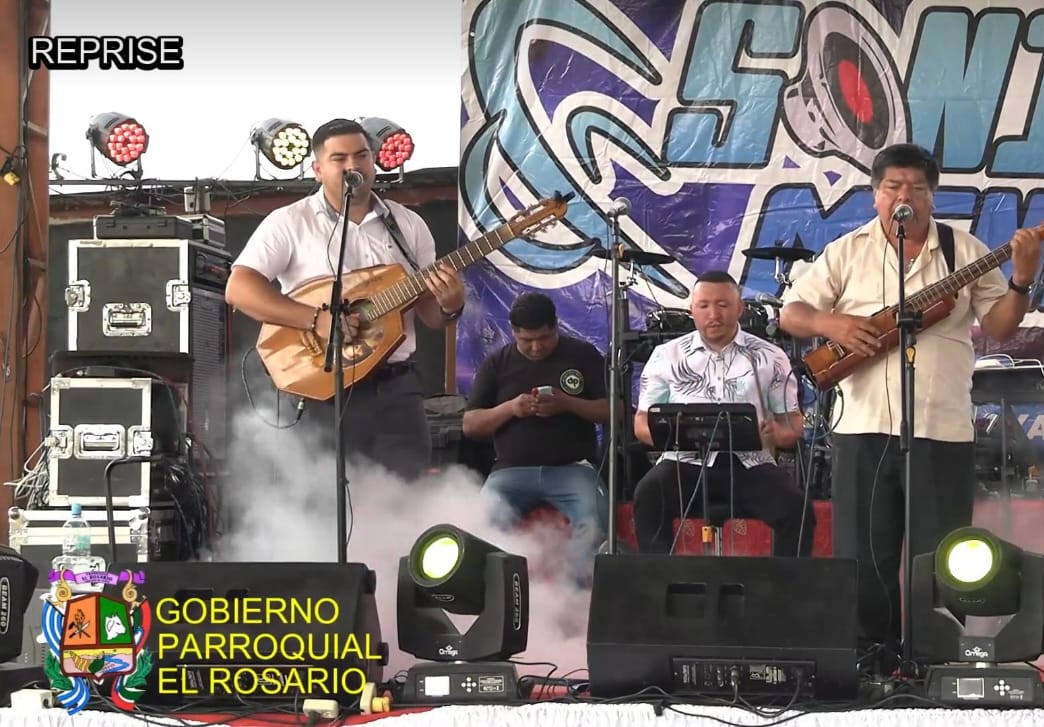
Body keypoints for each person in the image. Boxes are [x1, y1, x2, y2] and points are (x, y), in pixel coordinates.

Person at [779, 143, 1043, 667]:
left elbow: (1000, 326)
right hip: (863, 424)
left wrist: (1022, 277)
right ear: (875, 195)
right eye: (893, 187)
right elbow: (793, 313)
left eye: (917, 188)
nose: (905, 196)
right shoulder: (847, 250)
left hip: (941, 427)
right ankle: (869, 659)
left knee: (942, 552)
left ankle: (934, 657)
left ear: (932, 196)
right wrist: (835, 325)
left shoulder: (964, 249)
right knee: (864, 552)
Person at [227, 118, 466, 481]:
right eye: (339, 158)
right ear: (318, 169)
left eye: (361, 155)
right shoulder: (290, 222)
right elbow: (239, 288)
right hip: (325, 387)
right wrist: (316, 320)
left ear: (373, 161)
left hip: (396, 388)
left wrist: (451, 305)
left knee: (408, 495)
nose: (353, 165)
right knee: (323, 498)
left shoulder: (409, 224)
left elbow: (431, 316)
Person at [632, 270, 815, 557]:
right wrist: (667, 434)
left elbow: (792, 422)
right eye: (704, 306)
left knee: (796, 509)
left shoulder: (770, 356)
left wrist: (778, 434)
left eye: (723, 305)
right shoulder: (667, 356)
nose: (713, 314)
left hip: (750, 464)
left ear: (739, 308)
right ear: (692, 310)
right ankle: (661, 581)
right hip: (684, 462)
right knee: (648, 494)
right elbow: (641, 421)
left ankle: (784, 584)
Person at [463, 292, 610, 579]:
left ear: (556, 325)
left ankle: (576, 594)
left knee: (595, 522)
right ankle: (501, 593)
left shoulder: (583, 355)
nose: (536, 347)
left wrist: (567, 403)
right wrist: (511, 409)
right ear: (513, 332)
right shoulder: (497, 363)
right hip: (510, 472)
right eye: (526, 340)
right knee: (481, 527)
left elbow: (615, 411)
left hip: (572, 468)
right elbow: (470, 424)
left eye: (543, 338)